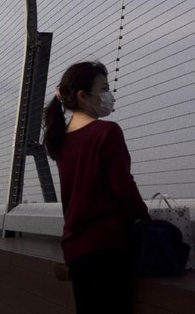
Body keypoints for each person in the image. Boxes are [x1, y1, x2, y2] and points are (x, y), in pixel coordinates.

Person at [42, 61, 150, 313]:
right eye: (103, 88)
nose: (108, 94)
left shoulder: (62, 139)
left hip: (76, 247)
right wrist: (146, 219)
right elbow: (123, 187)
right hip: (107, 247)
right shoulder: (107, 132)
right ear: (82, 95)